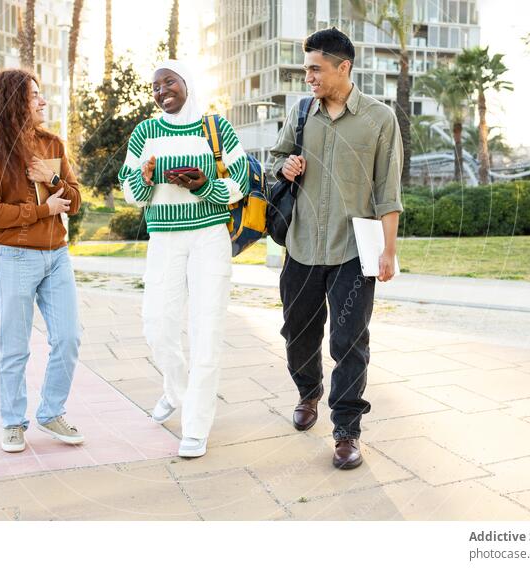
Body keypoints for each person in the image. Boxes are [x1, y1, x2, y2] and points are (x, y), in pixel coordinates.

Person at [269, 28, 404, 469]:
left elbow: (388, 191)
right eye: (306, 67)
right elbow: (275, 159)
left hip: (352, 251)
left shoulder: (379, 119)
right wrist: (285, 166)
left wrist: (389, 251)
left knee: (349, 342)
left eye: (315, 68)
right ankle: (308, 391)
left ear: (343, 67)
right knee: (297, 334)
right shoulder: (302, 111)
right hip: (302, 245)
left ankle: (346, 429)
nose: (308, 76)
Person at [0, 69, 84, 453]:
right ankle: (11, 422)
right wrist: (42, 209)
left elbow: (76, 199)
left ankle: (51, 411)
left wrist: (53, 181)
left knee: (69, 337)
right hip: (14, 258)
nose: (42, 101)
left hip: (57, 257)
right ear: (11, 102)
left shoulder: (52, 143)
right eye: (33, 95)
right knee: (15, 346)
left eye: (41, 94)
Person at [118, 60, 249, 458]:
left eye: (168, 82)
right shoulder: (146, 132)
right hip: (164, 240)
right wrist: (143, 177)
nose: (161, 91)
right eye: (155, 86)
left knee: (206, 328)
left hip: (209, 237)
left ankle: (196, 425)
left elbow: (239, 183)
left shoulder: (216, 128)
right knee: (156, 325)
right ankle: (175, 391)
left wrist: (204, 185)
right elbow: (129, 192)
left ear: (186, 83)